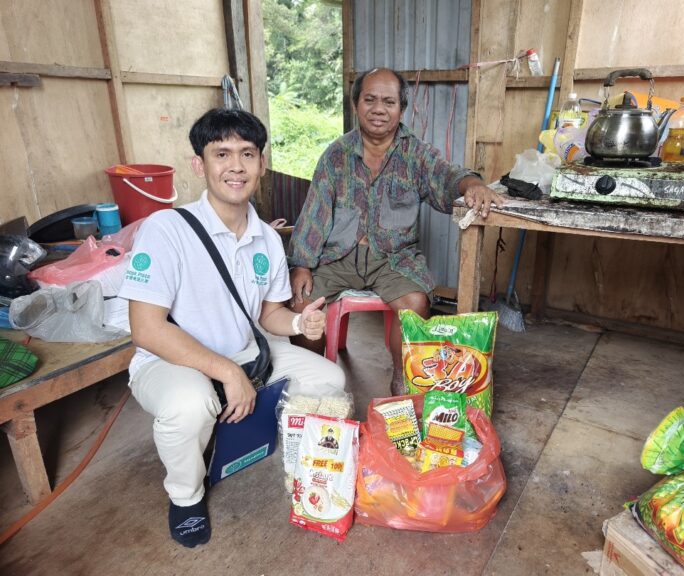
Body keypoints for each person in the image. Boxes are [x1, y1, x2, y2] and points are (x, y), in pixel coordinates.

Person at [118, 108, 345, 548]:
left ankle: (292, 452)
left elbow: (268, 315)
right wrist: (227, 372)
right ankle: (186, 496)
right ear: (199, 165)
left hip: (244, 352)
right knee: (189, 405)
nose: (236, 166)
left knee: (328, 381)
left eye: (247, 153)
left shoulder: (267, 239)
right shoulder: (167, 230)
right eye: (221, 153)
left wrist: (299, 321)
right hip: (168, 361)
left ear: (262, 164)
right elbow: (147, 330)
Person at [287, 67, 505, 396]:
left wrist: (472, 184)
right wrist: (302, 264)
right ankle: (314, 381)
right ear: (356, 104)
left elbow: (448, 176)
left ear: (401, 109)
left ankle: (402, 382)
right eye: (370, 100)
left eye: (388, 102)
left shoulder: (416, 154)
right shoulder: (336, 155)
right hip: (337, 257)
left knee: (415, 302)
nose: (379, 109)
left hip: (393, 259)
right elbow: (314, 212)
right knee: (301, 304)